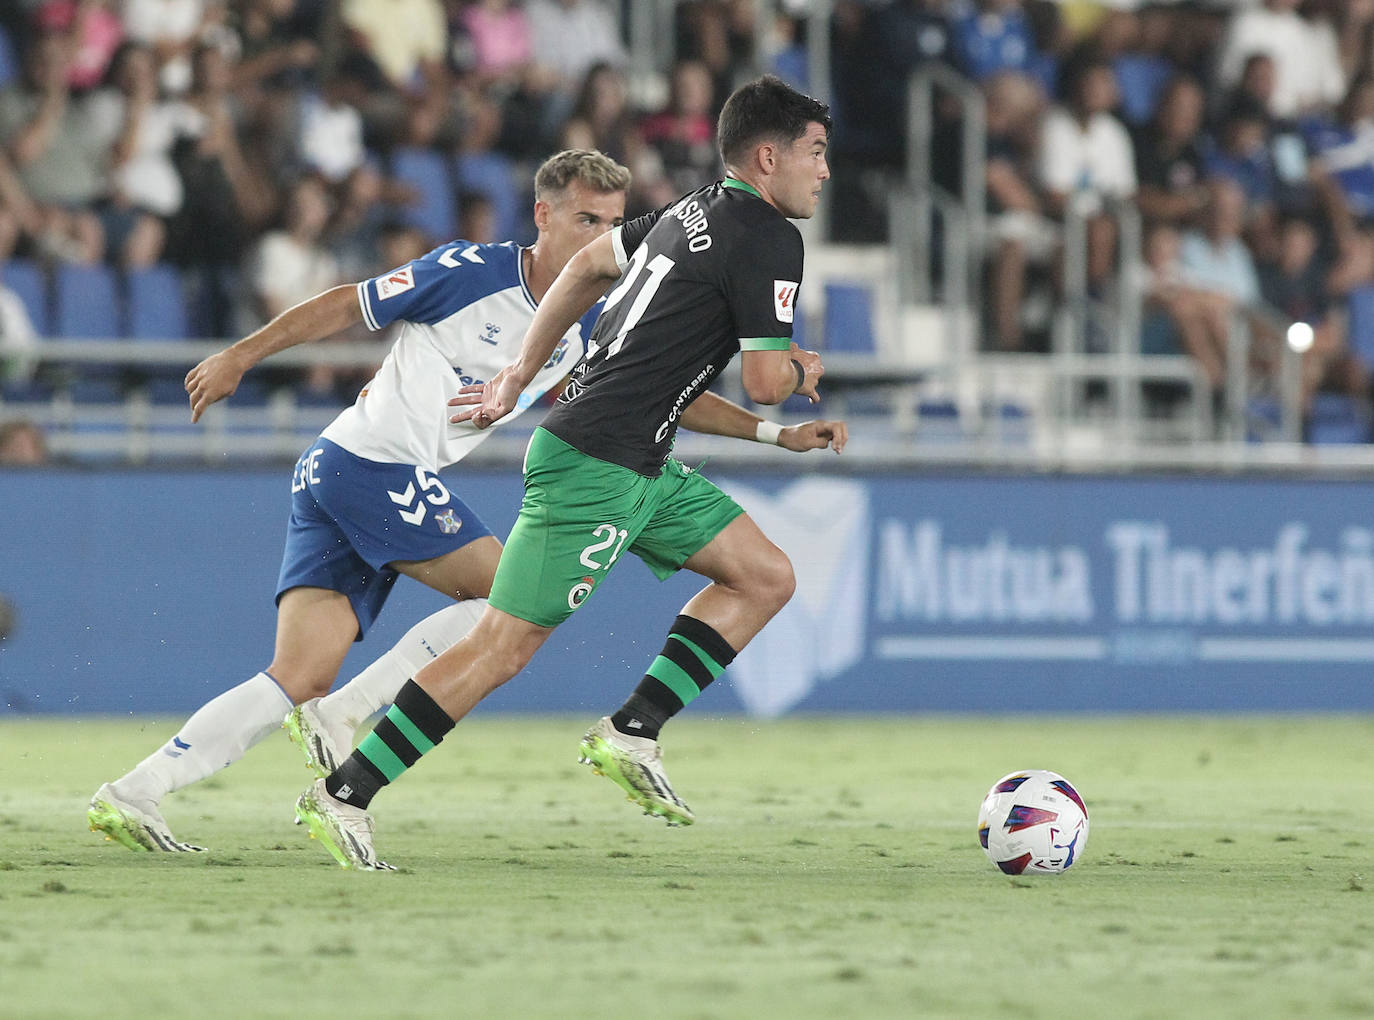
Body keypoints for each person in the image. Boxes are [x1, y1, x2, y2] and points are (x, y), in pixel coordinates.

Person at [294, 74, 848, 870]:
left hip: (638, 456)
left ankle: (632, 729)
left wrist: (520, 373)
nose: (824, 172)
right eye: (816, 153)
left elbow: (588, 265)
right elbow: (762, 375)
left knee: (763, 575)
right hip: (598, 463)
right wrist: (796, 370)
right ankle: (344, 793)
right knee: (500, 647)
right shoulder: (768, 236)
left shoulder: (687, 212)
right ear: (768, 157)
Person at [87, 149, 633, 853]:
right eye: (586, 218)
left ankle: (134, 794)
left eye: (613, 224)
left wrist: (770, 431)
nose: (600, 237)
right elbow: (350, 302)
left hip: (342, 470)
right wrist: (240, 356)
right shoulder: (473, 272)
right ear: (543, 215)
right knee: (512, 596)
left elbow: (635, 392)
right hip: (368, 464)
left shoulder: (586, 323)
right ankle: (343, 712)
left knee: (295, 676)